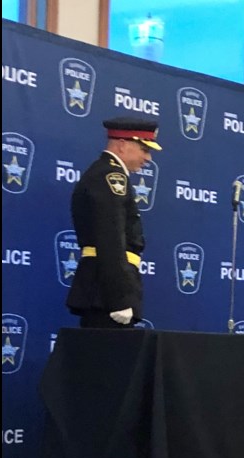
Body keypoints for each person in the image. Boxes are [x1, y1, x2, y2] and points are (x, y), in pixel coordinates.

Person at [66, 117, 161, 328]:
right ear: (122, 144)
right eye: (144, 149)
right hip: (105, 292)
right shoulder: (111, 176)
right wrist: (120, 297)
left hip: (102, 287)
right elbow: (110, 237)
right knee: (107, 357)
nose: (148, 158)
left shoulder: (105, 173)